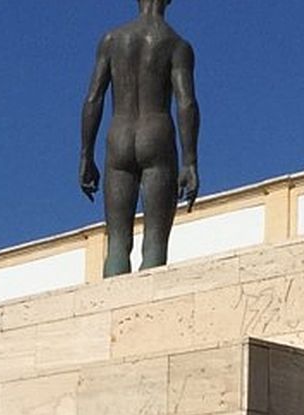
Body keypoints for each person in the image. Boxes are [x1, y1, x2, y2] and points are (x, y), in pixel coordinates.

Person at [80, 0, 200, 277]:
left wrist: (86, 154)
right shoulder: (176, 45)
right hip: (156, 135)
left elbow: (92, 99)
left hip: (118, 136)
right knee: (155, 242)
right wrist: (190, 161)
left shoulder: (112, 40)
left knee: (117, 244)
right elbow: (187, 104)